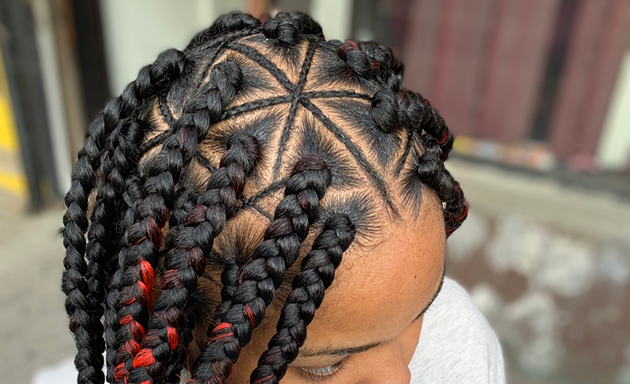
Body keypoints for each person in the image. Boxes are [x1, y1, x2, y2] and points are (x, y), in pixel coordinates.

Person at [60, 11, 504, 384]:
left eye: (423, 307)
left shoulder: (462, 348)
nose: (401, 377)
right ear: (175, 327)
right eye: (326, 366)